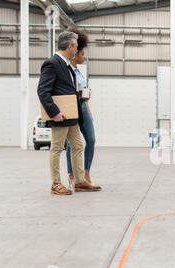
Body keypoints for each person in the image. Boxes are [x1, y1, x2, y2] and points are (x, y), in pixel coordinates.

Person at [37, 31, 101, 195]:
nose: (77, 50)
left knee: (78, 145)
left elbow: (66, 89)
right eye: (76, 47)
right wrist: (54, 113)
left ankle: (79, 181)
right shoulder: (52, 63)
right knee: (56, 148)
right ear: (71, 46)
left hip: (72, 115)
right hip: (60, 116)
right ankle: (56, 184)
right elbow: (43, 91)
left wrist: (80, 95)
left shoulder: (67, 66)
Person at [65, 28, 96, 188]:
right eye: (82, 53)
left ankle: (86, 173)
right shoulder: (67, 69)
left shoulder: (79, 72)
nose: (83, 56)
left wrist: (88, 107)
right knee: (73, 143)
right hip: (73, 107)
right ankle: (72, 176)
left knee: (91, 140)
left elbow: (83, 93)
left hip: (83, 107)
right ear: (75, 53)